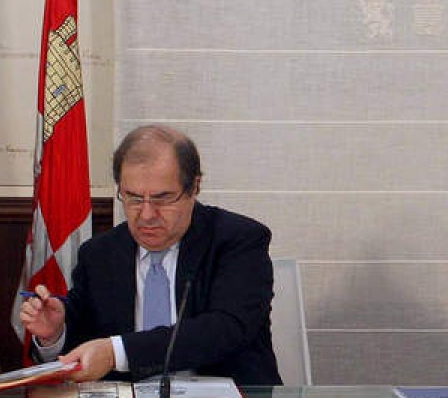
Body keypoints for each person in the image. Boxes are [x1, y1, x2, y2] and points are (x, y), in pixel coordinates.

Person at [20, 125, 281, 384]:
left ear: (194, 187)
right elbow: (85, 344)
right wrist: (54, 335)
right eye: (133, 198)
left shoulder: (238, 241)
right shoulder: (100, 254)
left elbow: (226, 329)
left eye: (162, 198)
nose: (146, 215)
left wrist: (118, 353)